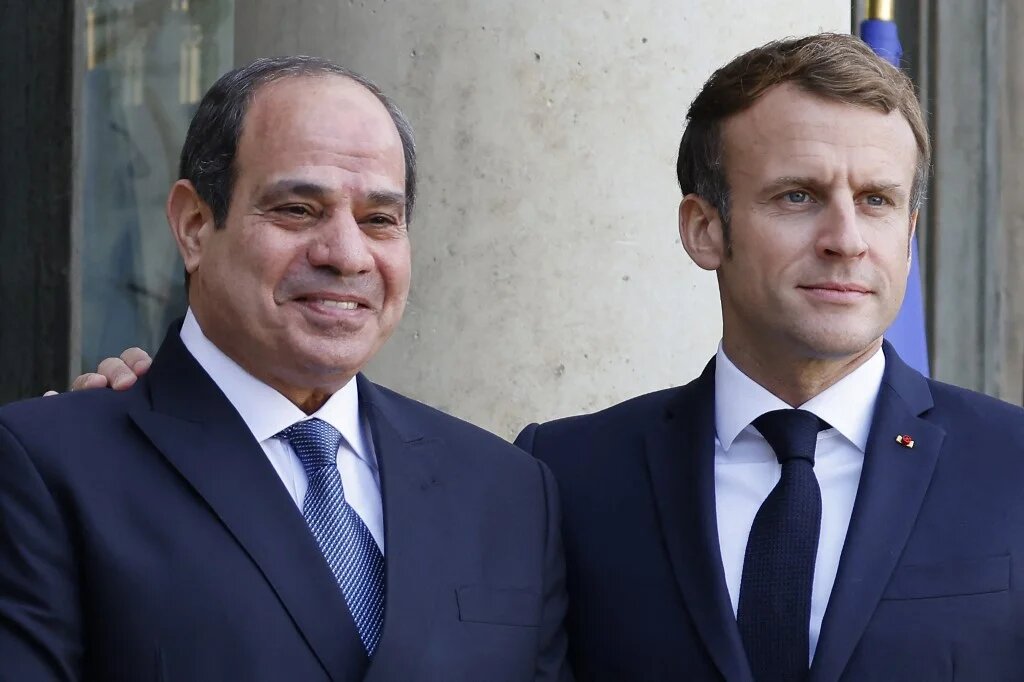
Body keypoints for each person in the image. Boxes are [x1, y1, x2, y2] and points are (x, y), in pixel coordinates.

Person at [67, 33, 1024, 681]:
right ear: (703, 228)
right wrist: (163, 427)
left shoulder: (1012, 468)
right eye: (797, 196)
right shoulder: (562, 477)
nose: (846, 239)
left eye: (880, 201)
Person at [0, 56, 569, 682]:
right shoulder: (48, 469)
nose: (346, 255)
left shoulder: (508, 491)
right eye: (298, 209)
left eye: (379, 219)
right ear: (193, 226)